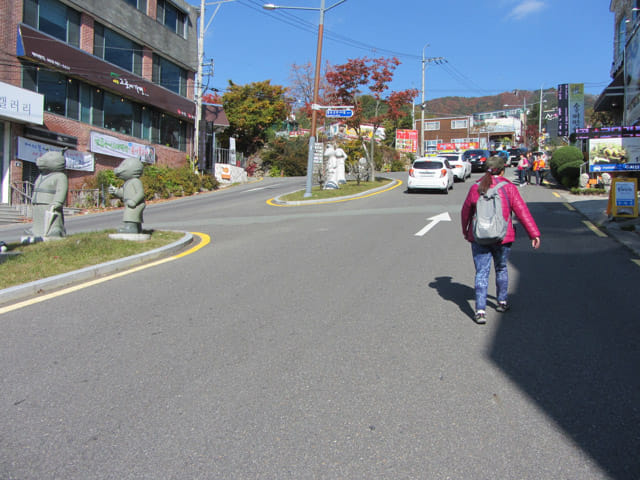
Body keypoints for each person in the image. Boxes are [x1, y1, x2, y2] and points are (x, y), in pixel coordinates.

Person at [461, 156, 541, 324]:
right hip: (503, 237)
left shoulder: (476, 187)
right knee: (501, 268)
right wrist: (533, 234)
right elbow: (522, 211)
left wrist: (466, 231)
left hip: (479, 237)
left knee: (481, 273)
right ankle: (502, 302)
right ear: (502, 169)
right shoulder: (508, 188)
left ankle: (480, 311)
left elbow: (465, 212)